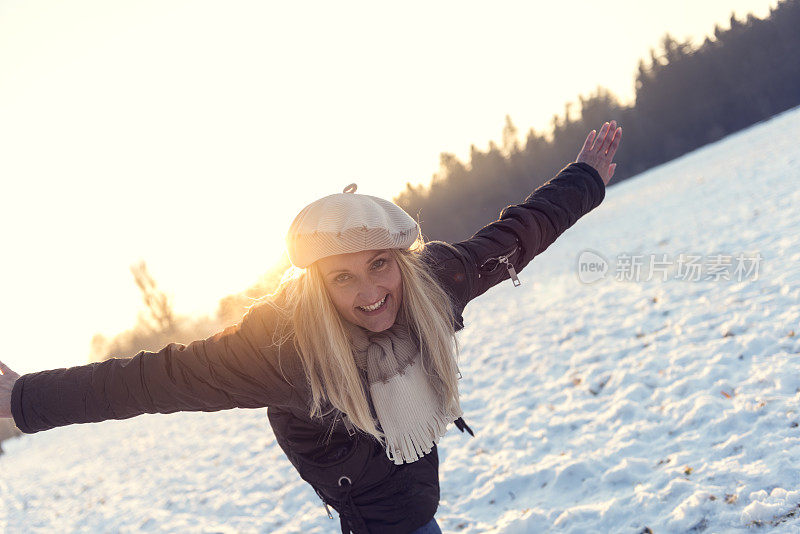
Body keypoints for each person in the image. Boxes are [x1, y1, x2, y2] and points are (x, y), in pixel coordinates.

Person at [0, 121, 622, 533]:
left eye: (379, 265)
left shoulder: (431, 283)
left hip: (414, 492)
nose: (371, 293)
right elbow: (147, 382)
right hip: (375, 512)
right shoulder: (279, 348)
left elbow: (516, 235)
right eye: (342, 278)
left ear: (400, 257)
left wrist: (586, 179)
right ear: (316, 284)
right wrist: (25, 398)